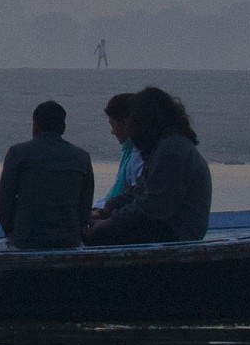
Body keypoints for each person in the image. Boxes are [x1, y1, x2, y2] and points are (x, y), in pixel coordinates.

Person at [85, 85, 211, 245]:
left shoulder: (171, 150)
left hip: (177, 231)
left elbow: (153, 206)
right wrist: (106, 211)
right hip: (169, 225)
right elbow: (139, 192)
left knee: (96, 236)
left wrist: (109, 222)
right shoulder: (165, 146)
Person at [0, 101, 94, 250]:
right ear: (63, 127)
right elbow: (85, 207)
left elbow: (3, 201)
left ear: (35, 126)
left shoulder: (18, 153)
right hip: (69, 241)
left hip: (25, 240)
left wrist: (13, 233)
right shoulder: (82, 157)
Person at [98, 92, 141, 206]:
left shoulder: (138, 155)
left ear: (125, 123)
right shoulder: (129, 151)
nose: (112, 132)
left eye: (113, 125)